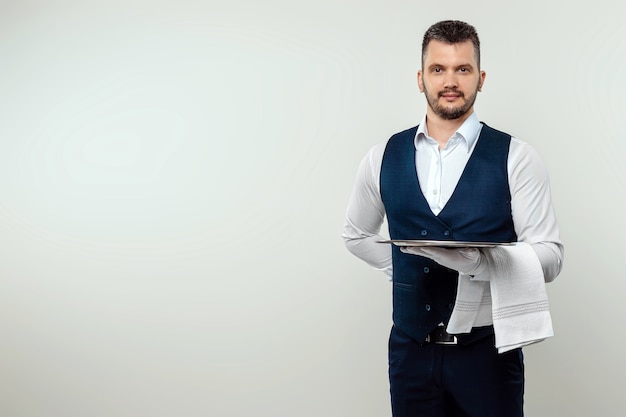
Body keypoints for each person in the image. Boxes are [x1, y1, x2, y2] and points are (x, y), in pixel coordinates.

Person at [342, 20, 564, 417]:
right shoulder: (381, 157)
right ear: (420, 78)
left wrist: (481, 264)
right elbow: (356, 235)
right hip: (410, 353)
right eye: (438, 69)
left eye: (462, 69)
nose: (450, 81)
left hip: (488, 355)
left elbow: (550, 256)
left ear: (480, 78)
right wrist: (407, 265)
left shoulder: (517, 157)